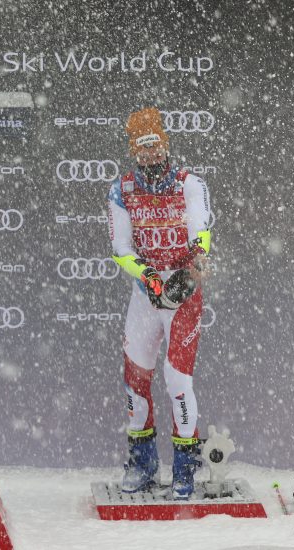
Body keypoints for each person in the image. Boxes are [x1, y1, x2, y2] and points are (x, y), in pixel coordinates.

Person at [107, 107, 213, 499]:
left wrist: (198, 258)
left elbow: (201, 231)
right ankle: (143, 461)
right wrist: (147, 276)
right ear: (134, 152)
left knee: (177, 379)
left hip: (183, 290)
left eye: (155, 148)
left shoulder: (188, 183)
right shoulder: (123, 189)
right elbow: (120, 247)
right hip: (146, 292)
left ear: (165, 146)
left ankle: (185, 465)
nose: (150, 156)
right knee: (135, 376)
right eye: (142, 150)